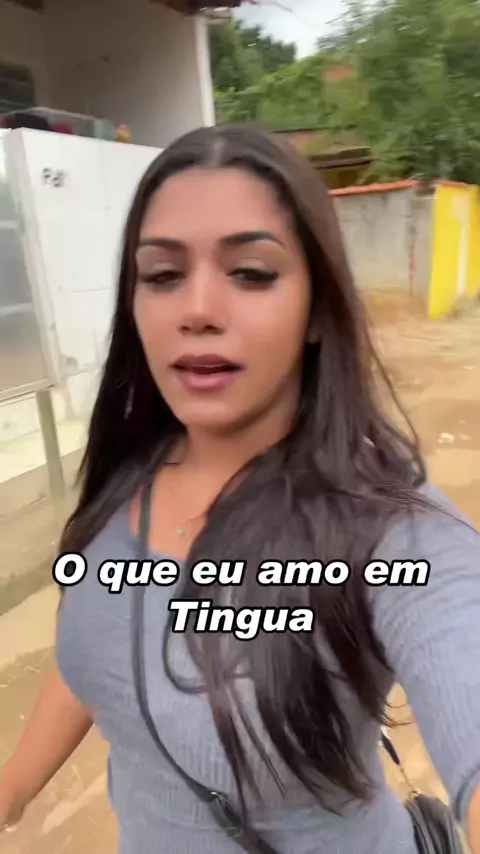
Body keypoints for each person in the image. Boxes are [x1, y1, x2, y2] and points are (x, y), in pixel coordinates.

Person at [0, 124, 479, 854]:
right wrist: (9, 792)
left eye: (251, 273)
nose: (196, 309)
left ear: (318, 311)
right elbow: (100, 652)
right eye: (163, 275)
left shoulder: (394, 530)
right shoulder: (122, 481)